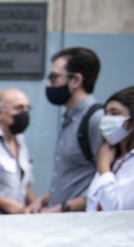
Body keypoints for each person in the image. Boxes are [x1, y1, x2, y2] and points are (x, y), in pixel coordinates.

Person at [26, 47, 103, 213]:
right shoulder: (70, 119)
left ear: (76, 80)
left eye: (54, 77)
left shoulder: (95, 120)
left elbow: (105, 182)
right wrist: (46, 199)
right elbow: (74, 178)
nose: (49, 84)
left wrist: (62, 209)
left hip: (81, 225)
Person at [85, 88, 134, 211]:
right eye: (105, 113)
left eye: (114, 113)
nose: (106, 119)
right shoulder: (113, 156)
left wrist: (104, 167)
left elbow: (117, 208)